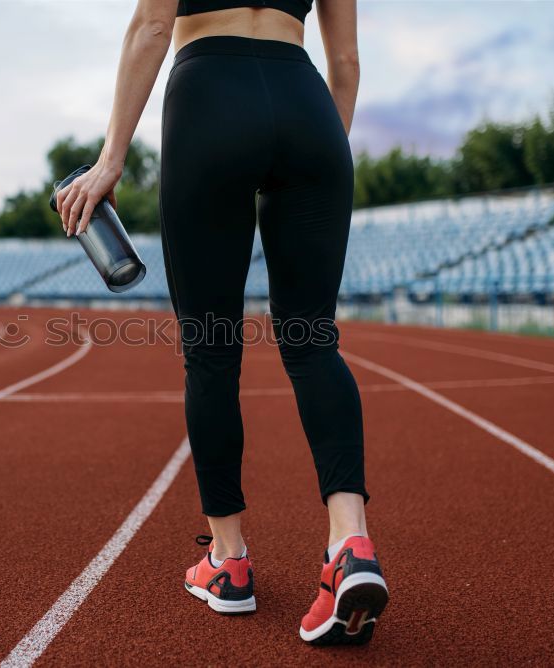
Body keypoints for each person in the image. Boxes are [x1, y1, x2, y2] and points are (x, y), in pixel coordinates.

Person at [54, 0, 388, 645]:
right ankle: (351, 543)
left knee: (211, 351)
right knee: (314, 341)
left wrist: (111, 158)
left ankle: (228, 562)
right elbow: (344, 61)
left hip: (209, 96)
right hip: (306, 104)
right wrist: (319, 161)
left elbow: (152, 26)